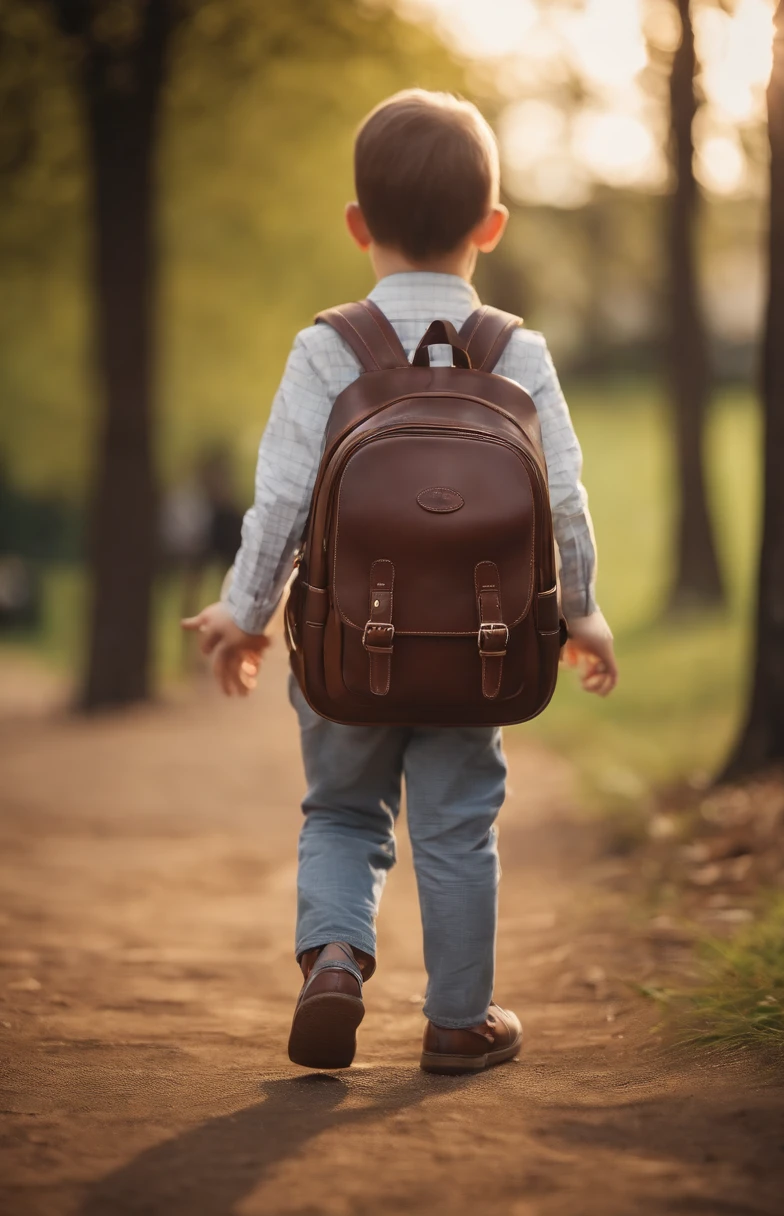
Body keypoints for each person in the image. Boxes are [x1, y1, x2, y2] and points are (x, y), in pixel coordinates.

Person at [183, 89, 618, 1074]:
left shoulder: (326, 348)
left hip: (347, 649)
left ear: (356, 225)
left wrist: (244, 614)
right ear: (491, 228)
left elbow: (283, 498)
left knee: (340, 811)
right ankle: (458, 1021)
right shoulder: (521, 353)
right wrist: (580, 613)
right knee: (459, 825)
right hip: (484, 650)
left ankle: (335, 956)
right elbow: (563, 505)